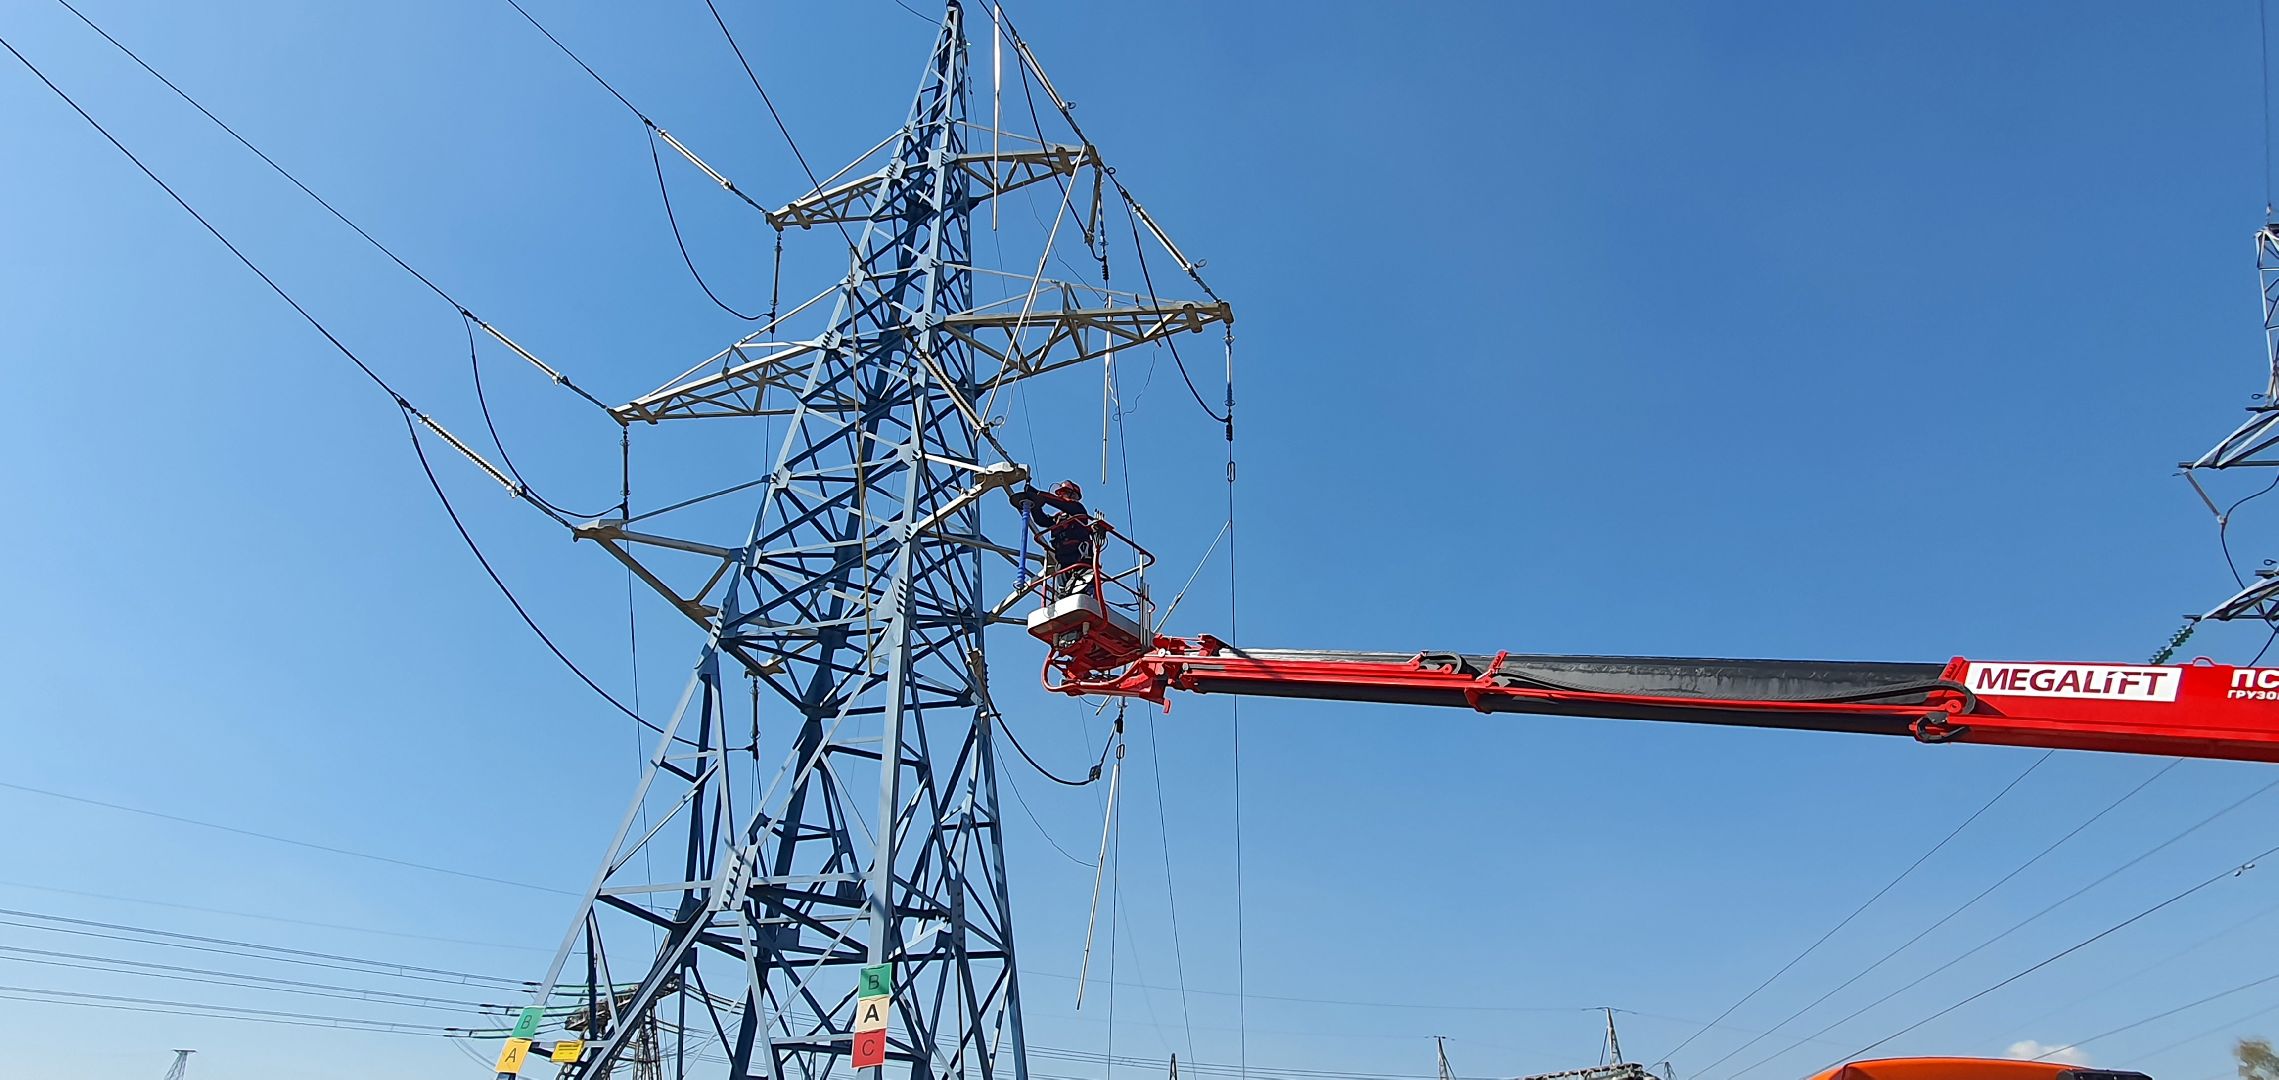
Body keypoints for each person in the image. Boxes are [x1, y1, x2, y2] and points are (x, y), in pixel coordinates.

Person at [1011, 480, 1105, 597]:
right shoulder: (1058, 518)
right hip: (1063, 562)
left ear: (1073, 495)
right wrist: (1035, 505)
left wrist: (1038, 494)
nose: (1061, 496)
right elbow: (1041, 520)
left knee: (1083, 590)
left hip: (1080, 561)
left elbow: (1061, 503)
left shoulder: (1078, 510)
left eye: (1064, 493)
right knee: (1063, 594)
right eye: (1060, 493)